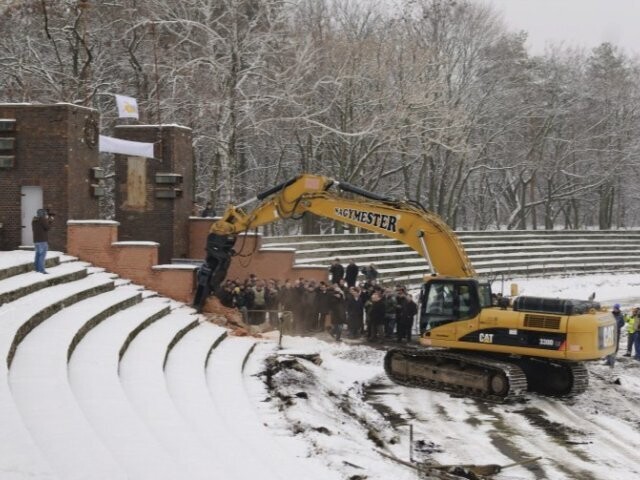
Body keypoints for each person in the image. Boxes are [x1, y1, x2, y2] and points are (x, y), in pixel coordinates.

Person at [32, 208, 54, 274]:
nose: (45, 215)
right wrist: (50, 221)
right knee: (42, 255)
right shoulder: (42, 219)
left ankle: (37, 269)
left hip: (36, 241)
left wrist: (47, 220)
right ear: (43, 214)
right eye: (45, 214)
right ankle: (41, 270)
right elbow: (47, 228)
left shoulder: (34, 220)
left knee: (37, 255)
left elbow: (41, 227)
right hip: (42, 240)